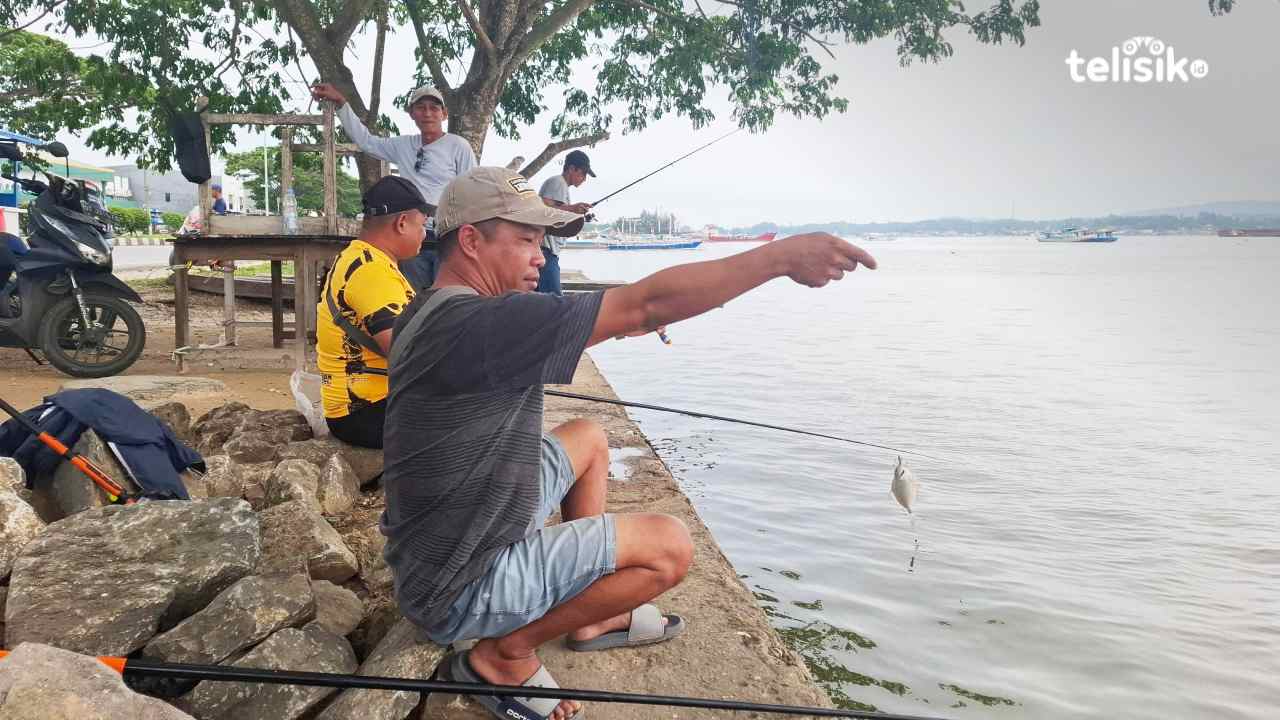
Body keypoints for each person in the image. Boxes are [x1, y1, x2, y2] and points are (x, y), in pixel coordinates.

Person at [381, 166, 877, 720]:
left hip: (445, 541)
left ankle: (585, 613)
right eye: (524, 240)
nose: (539, 257)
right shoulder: (483, 323)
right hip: (461, 585)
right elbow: (645, 302)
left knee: (588, 438)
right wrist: (780, 258)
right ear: (471, 241)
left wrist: (610, 322)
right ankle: (504, 653)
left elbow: (590, 316)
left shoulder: (430, 309)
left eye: (541, 242)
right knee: (669, 547)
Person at [310, 82, 475, 291]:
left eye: (434, 108)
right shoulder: (403, 145)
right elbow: (367, 142)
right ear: (411, 114)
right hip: (412, 233)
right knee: (413, 297)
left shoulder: (458, 146)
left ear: (444, 114)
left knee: (448, 296)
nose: (427, 113)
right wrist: (341, 103)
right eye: (421, 108)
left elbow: (470, 191)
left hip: (447, 234)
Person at [315, 176, 429, 448]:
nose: (425, 235)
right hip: (366, 412)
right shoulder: (371, 270)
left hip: (362, 407)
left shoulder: (362, 257)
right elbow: (405, 352)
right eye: (422, 226)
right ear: (402, 223)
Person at [536, 150, 595, 295]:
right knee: (556, 303)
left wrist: (577, 215)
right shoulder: (558, 182)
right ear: (571, 169)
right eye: (582, 173)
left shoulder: (561, 186)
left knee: (542, 301)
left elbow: (558, 215)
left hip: (548, 254)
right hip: (546, 253)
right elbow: (544, 209)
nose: (584, 179)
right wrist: (573, 209)